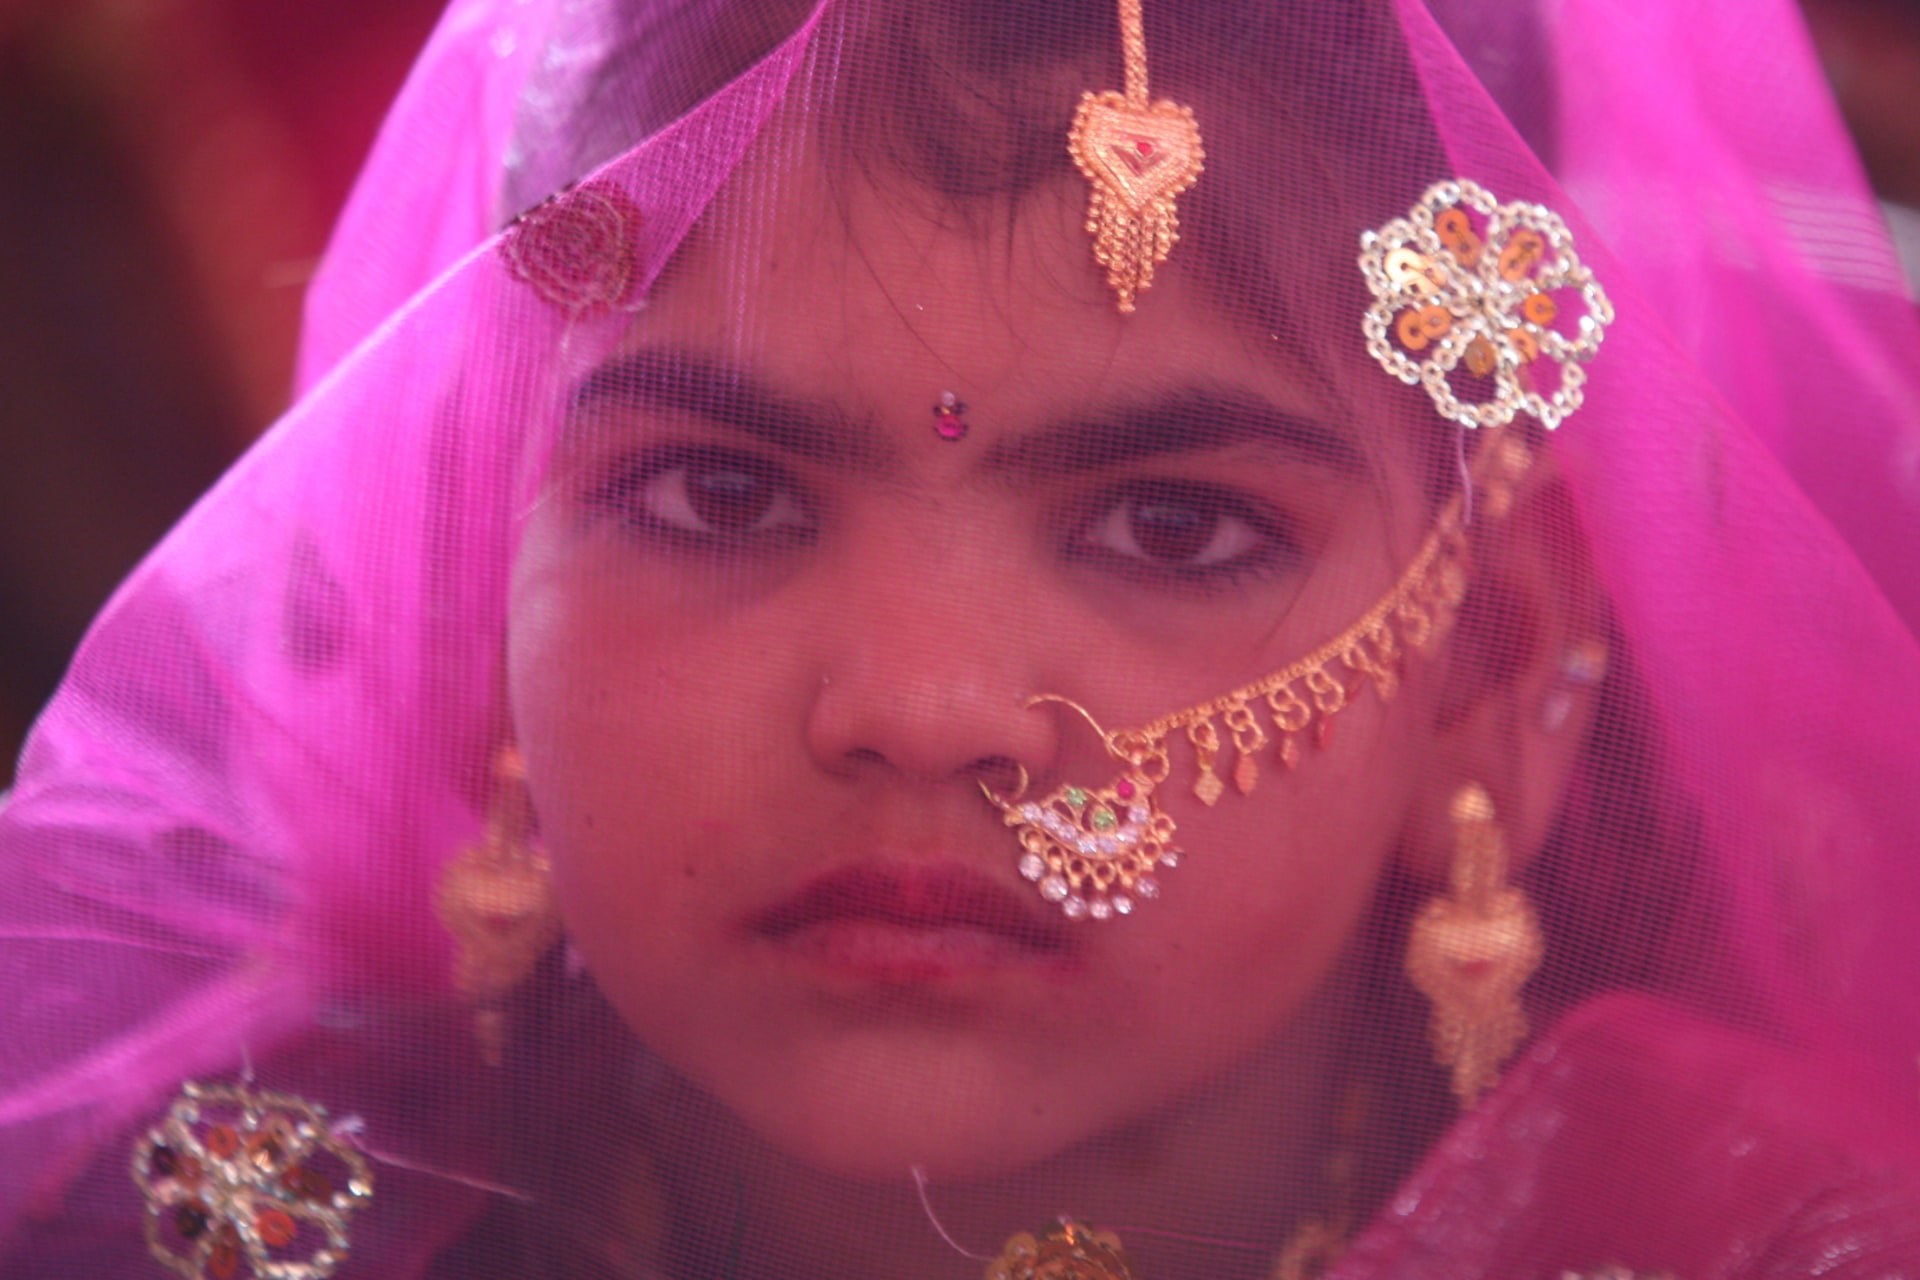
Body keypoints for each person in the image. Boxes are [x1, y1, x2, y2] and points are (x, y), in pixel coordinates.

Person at [4, 0, 1920, 1276]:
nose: (920, 711)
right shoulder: (212, 1210)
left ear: (1494, 669)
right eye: (720, 499)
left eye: (1174, 524)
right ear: (484, 565)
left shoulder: (1748, 1238)